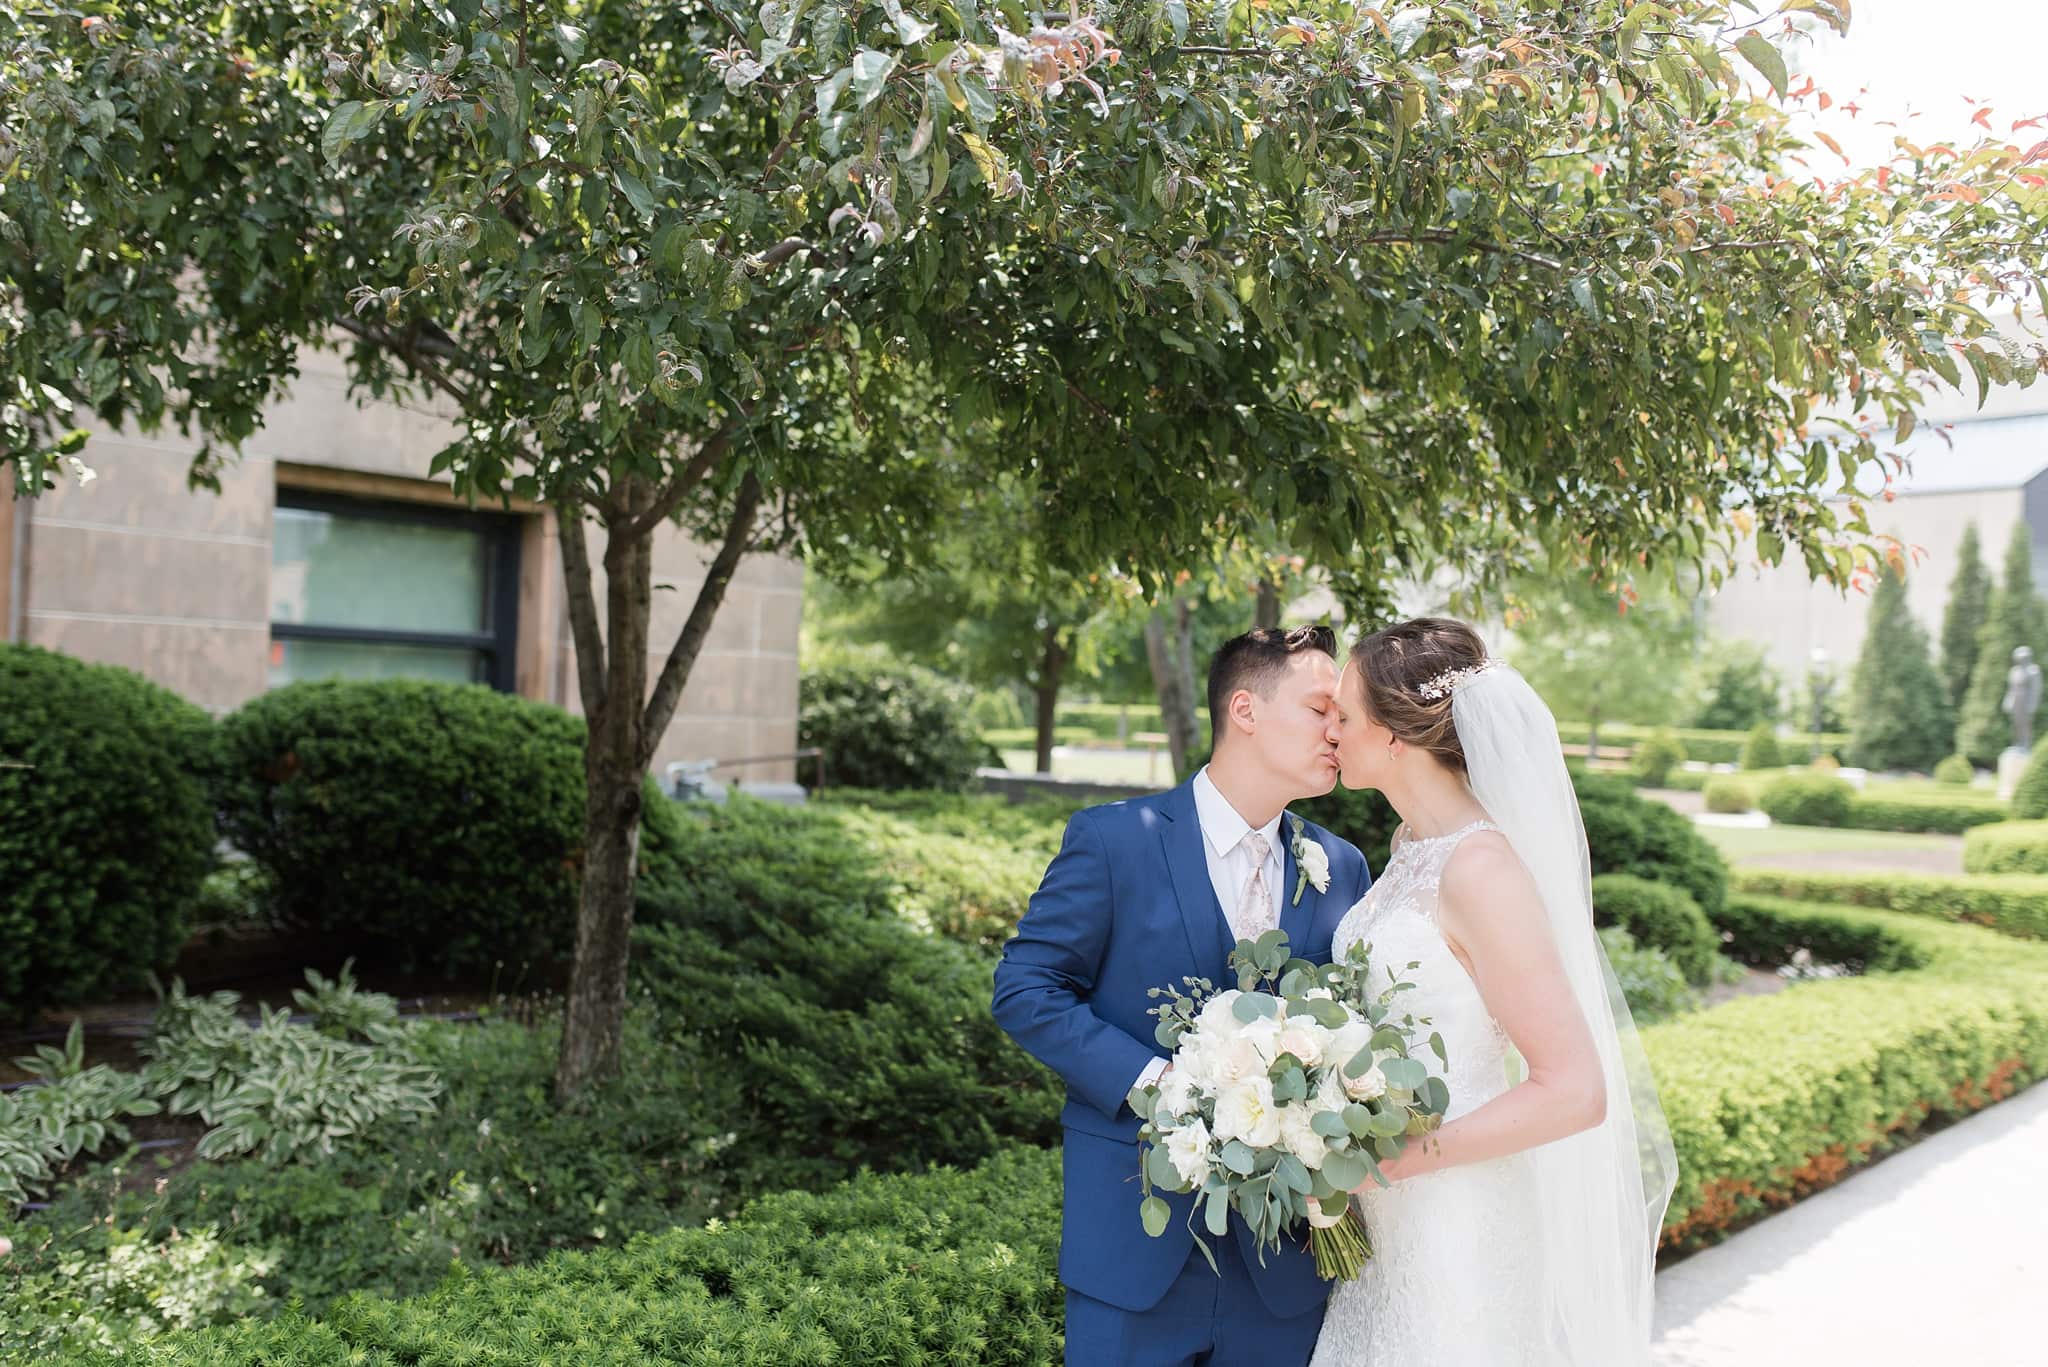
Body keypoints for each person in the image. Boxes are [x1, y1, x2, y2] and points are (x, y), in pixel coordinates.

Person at [993, 625, 1373, 1366]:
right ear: (1246, 709)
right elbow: (1025, 988)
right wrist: (1158, 1083)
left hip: (1286, 1264)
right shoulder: (1113, 840)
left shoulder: (1343, 864)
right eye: (1321, 708)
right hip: (1136, 1247)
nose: (1339, 730)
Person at [1310, 617, 1676, 1367]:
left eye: (1344, 715)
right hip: (1391, 1230)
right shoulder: (1412, 848)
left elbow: (1574, 1089)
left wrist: (1389, 1159)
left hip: (1458, 1228)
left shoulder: (1482, 871)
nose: (1330, 731)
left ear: (1394, 735)